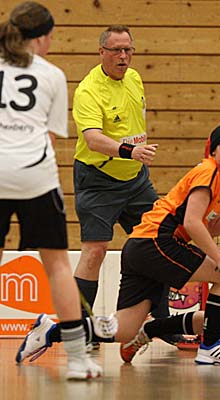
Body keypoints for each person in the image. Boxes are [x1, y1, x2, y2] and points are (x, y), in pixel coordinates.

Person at [15, 122, 220, 365]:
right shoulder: (209, 172)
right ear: (214, 150)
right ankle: (210, 347)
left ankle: (50, 331)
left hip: (141, 247)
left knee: (124, 329)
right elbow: (192, 223)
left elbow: (211, 227)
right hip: (156, 241)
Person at [1, 1, 101, 380]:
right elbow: (50, 135)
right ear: (42, 38)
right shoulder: (52, 75)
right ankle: (76, 359)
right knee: (57, 264)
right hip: (34, 176)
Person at [71, 25, 177, 345]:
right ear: (101, 51)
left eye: (128, 49)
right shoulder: (88, 91)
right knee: (95, 251)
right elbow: (93, 139)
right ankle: (80, 328)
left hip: (135, 179)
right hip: (98, 180)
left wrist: (135, 158)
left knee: (158, 241)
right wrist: (131, 151)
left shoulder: (134, 78)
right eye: (116, 50)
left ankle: (161, 321)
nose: (123, 56)